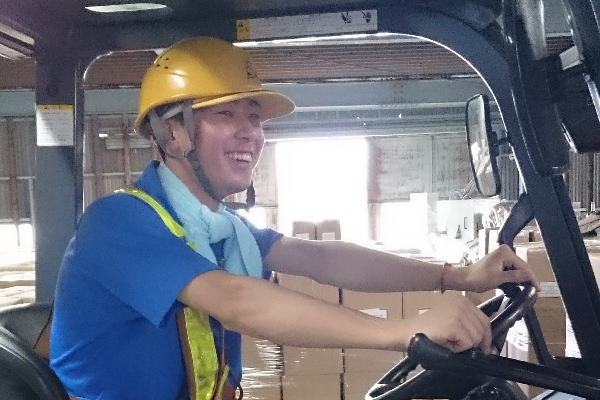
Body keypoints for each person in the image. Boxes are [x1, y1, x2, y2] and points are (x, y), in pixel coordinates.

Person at [49, 37, 537, 400]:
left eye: (253, 117)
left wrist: (458, 276)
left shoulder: (221, 229)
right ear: (172, 132)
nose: (249, 133)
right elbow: (236, 300)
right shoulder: (119, 223)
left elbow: (322, 259)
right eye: (225, 115)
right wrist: (401, 330)